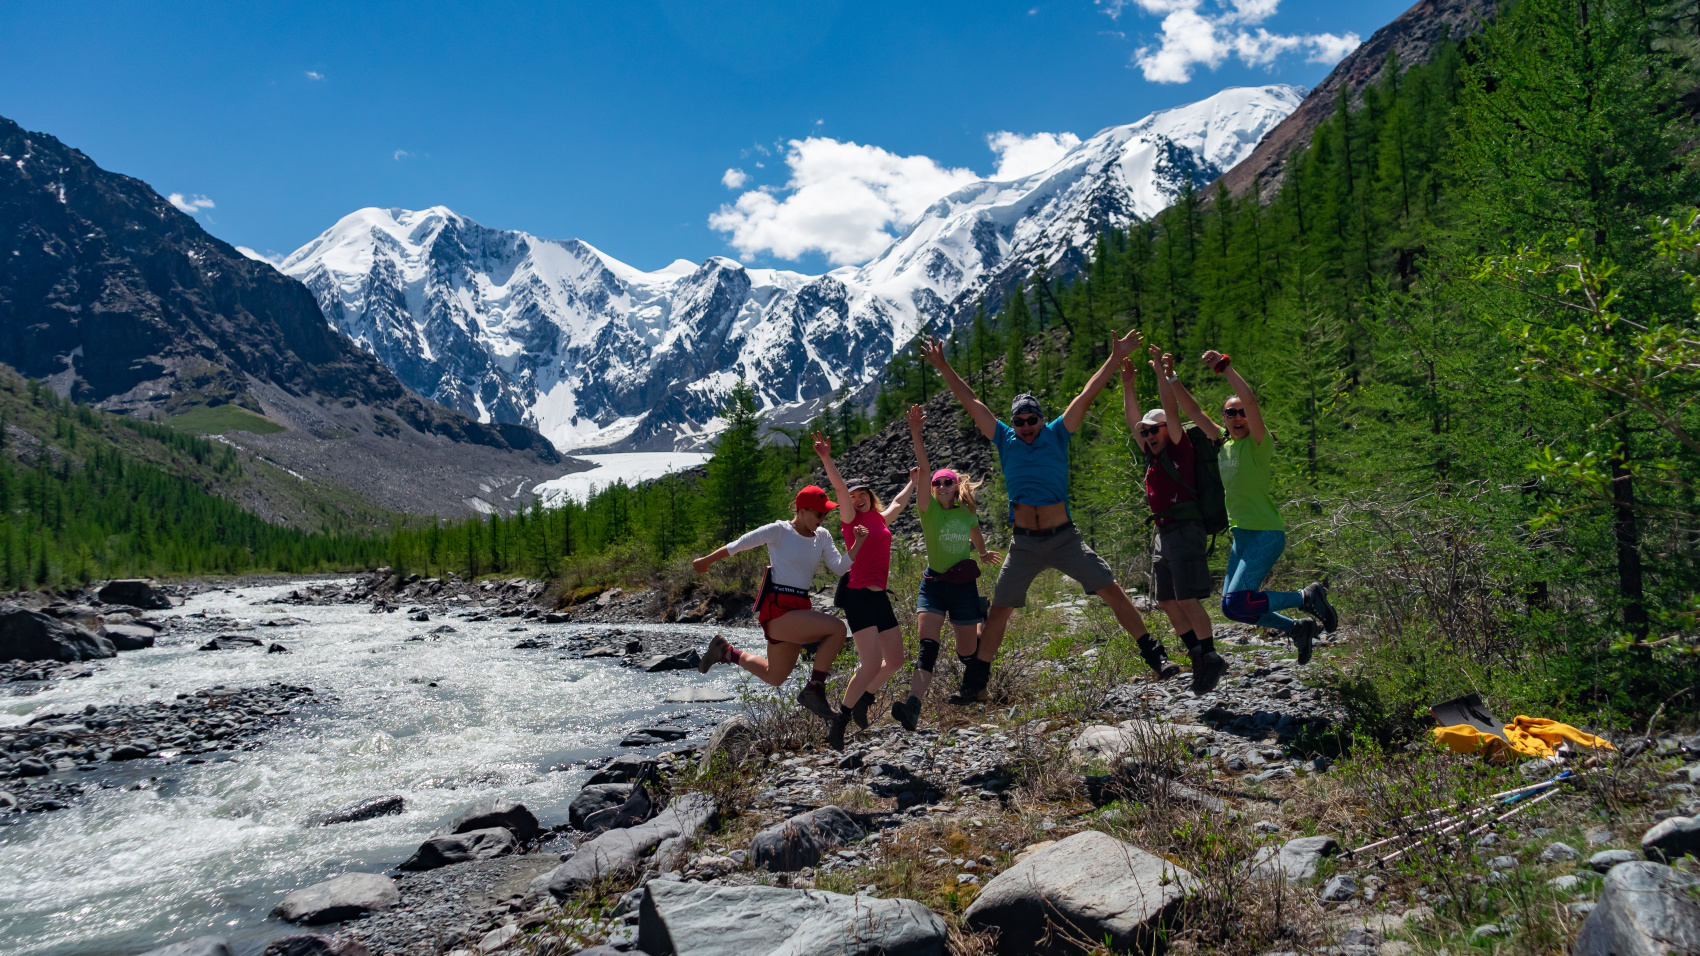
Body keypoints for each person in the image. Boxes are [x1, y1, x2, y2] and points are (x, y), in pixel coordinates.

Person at [922, 329, 1178, 704]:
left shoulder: (1058, 433)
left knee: (1110, 589)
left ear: (1041, 418)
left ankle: (1156, 656)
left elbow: (1086, 395)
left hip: (1064, 539)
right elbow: (971, 400)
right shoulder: (1004, 438)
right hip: (1024, 544)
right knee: (998, 611)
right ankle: (975, 684)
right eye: (1020, 420)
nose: (1026, 426)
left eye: (1031, 419)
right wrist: (943, 366)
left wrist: (1114, 357)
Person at [1164, 350, 1338, 661]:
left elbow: (1251, 399)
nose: (1238, 416)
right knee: (1231, 608)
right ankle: (1297, 630)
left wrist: (1224, 367)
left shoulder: (1259, 443)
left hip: (1265, 533)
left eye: (1242, 412)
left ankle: (1306, 597)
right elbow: (1193, 411)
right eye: (1231, 413)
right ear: (1224, 419)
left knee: (1241, 601)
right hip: (1241, 538)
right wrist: (1172, 378)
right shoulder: (1222, 443)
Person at [693, 486, 853, 726]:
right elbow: (739, 545)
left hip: (799, 609)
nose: (823, 519)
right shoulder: (779, 530)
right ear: (801, 510)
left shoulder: (823, 536)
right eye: (819, 514)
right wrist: (705, 561)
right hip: (779, 611)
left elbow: (840, 567)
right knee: (838, 629)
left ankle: (725, 652)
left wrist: (859, 545)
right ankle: (815, 688)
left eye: (826, 514)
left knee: (774, 676)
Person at [892, 403, 1003, 729]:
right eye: (937, 483)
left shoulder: (966, 513)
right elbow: (924, 471)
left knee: (967, 653)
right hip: (934, 585)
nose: (940, 486)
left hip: (964, 588)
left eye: (946, 482)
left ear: (956, 487)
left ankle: (979, 626)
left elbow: (976, 532)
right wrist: (916, 432)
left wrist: (981, 554)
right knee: (928, 647)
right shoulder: (929, 511)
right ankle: (913, 707)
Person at [1123, 348, 1228, 693]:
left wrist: (1160, 373)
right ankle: (1197, 653)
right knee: (1167, 600)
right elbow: (1132, 422)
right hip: (1163, 532)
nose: (1150, 435)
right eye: (1146, 432)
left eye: (1155, 430)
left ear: (1169, 429)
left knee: (1187, 599)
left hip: (1184, 529)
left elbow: (1172, 410)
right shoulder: (1152, 455)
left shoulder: (1180, 446)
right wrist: (1128, 385)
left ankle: (1211, 657)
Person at [811, 432, 914, 749]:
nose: (856, 498)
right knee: (871, 664)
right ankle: (838, 723)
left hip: (879, 596)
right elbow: (839, 488)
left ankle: (863, 701)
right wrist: (827, 458)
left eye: (861, 494)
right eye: (852, 496)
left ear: (870, 495)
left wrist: (913, 481)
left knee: (895, 660)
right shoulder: (849, 519)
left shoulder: (880, 519)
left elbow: (898, 502)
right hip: (857, 596)